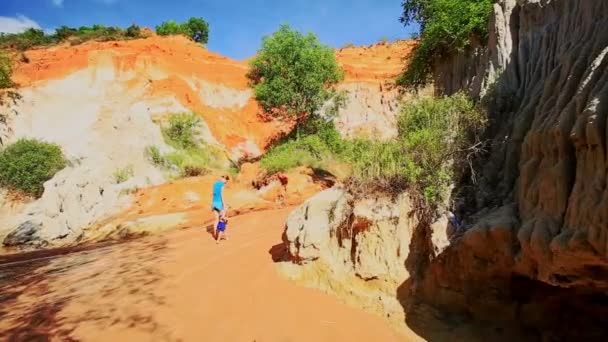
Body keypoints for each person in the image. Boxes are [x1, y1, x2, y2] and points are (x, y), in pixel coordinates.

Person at [211, 175, 229, 241]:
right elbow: (222, 195)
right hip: (220, 203)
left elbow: (213, 194)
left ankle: (215, 235)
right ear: (225, 179)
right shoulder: (222, 185)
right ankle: (224, 236)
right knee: (223, 220)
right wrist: (224, 205)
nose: (226, 182)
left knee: (216, 220)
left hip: (214, 203)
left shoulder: (215, 184)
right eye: (226, 181)